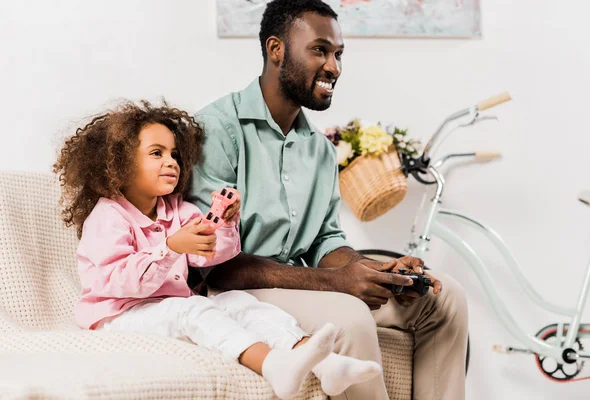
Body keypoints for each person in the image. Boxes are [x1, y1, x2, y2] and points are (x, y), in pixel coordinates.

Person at [189, 1, 469, 399]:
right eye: (319, 50)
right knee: (349, 317)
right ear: (276, 49)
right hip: (236, 293)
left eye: (338, 54)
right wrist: (334, 283)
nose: (334, 67)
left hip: (300, 285)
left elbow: (325, 241)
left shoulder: (319, 149)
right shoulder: (217, 129)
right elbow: (213, 264)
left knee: (446, 300)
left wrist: (377, 270)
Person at [53, 100, 382, 399]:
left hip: (166, 305)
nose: (171, 162)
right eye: (157, 153)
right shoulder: (108, 216)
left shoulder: (175, 209)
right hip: (119, 315)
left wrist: (224, 222)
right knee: (194, 311)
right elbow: (121, 281)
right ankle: (273, 366)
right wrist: (169, 248)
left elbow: (207, 254)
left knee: (238, 302)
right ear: (120, 163)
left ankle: (326, 364)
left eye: (174, 155)